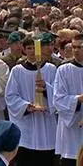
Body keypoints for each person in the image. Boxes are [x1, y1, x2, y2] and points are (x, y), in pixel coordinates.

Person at [5, 37, 57, 166]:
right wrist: (27, 106)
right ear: (24, 50)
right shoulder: (17, 71)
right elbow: (10, 96)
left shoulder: (50, 69)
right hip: (26, 124)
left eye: (35, 48)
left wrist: (46, 88)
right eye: (29, 48)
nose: (32, 51)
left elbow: (58, 93)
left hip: (46, 123)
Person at [53, 33, 83, 166]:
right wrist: (78, 99)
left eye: (80, 47)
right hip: (72, 132)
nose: (76, 50)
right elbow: (58, 100)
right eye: (74, 47)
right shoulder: (63, 70)